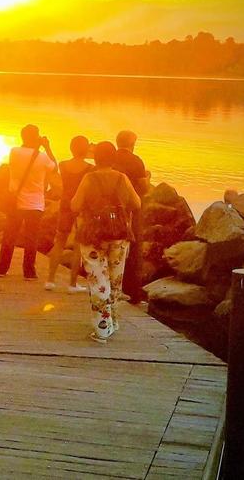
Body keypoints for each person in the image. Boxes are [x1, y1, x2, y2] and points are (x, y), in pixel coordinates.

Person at [71, 141, 141, 343]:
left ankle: (102, 327)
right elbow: (136, 203)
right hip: (118, 234)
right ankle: (113, 321)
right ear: (113, 159)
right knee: (115, 279)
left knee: (98, 280)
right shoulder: (122, 178)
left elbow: (75, 205)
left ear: (95, 157)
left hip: (93, 235)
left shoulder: (89, 178)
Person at [0, 124, 56, 280]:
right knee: (31, 238)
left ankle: (1, 268)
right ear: (36, 137)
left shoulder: (14, 152)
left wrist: (36, 144)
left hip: (15, 201)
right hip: (35, 203)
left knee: (9, 235)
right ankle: (29, 271)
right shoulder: (42, 157)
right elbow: (54, 166)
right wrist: (46, 146)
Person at [45, 135, 92, 292]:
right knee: (78, 245)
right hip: (80, 206)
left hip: (65, 204)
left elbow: (52, 166)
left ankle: (50, 280)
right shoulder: (89, 168)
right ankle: (72, 284)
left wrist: (48, 148)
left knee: (59, 241)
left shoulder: (64, 165)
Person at [112, 130, 150, 303]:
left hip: (111, 208)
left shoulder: (111, 157)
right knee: (132, 248)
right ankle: (132, 291)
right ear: (132, 144)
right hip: (131, 209)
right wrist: (148, 177)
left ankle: (112, 285)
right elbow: (144, 187)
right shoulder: (136, 161)